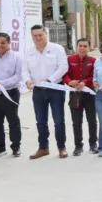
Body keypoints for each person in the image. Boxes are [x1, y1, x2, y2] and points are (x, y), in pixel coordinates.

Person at [23, 25, 69, 160]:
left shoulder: (57, 49)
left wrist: (50, 79)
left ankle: (62, 147)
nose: (38, 38)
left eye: (40, 35)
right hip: (38, 90)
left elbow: (63, 67)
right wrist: (27, 80)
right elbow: (24, 70)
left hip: (55, 89)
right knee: (40, 121)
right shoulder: (29, 51)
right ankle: (43, 148)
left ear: (46, 34)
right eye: (35, 36)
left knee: (59, 120)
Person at [63, 38, 98, 156]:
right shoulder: (69, 59)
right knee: (76, 121)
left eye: (85, 46)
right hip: (75, 95)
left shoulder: (93, 60)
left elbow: (94, 76)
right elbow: (65, 74)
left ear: (89, 47)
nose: (82, 48)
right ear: (76, 47)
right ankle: (78, 145)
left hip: (89, 94)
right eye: (80, 46)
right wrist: (70, 82)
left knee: (92, 120)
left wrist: (86, 82)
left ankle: (93, 143)